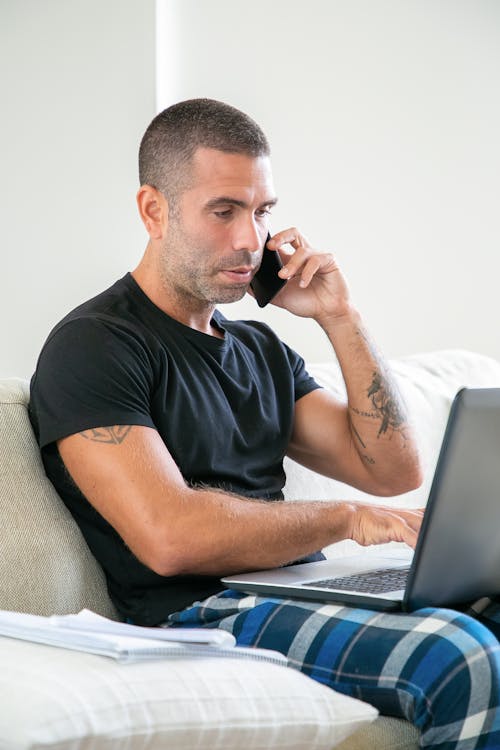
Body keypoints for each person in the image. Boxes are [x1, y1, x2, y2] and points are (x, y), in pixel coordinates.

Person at [29, 98, 500, 748]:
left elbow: (392, 470)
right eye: (223, 211)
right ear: (153, 210)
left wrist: (340, 316)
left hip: (300, 591)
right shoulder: (96, 345)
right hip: (201, 614)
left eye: (262, 211)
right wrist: (341, 518)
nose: (250, 239)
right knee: (462, 654)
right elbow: (170, 536)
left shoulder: (260, 349)